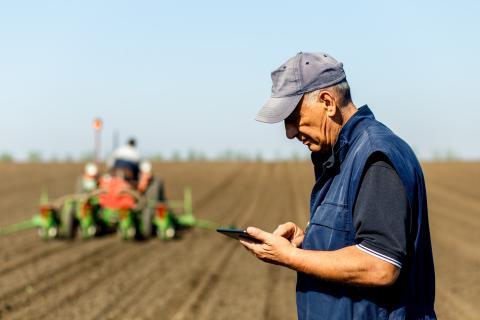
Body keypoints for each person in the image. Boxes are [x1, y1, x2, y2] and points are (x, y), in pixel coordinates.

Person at [240, 52, 436, 319]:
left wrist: (289, 257)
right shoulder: (341, 157)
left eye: (293, 117)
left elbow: (380, 265)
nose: (289, 132)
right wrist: (309, 241)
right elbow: (352, 238)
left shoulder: (374, 156)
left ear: (327, 102)